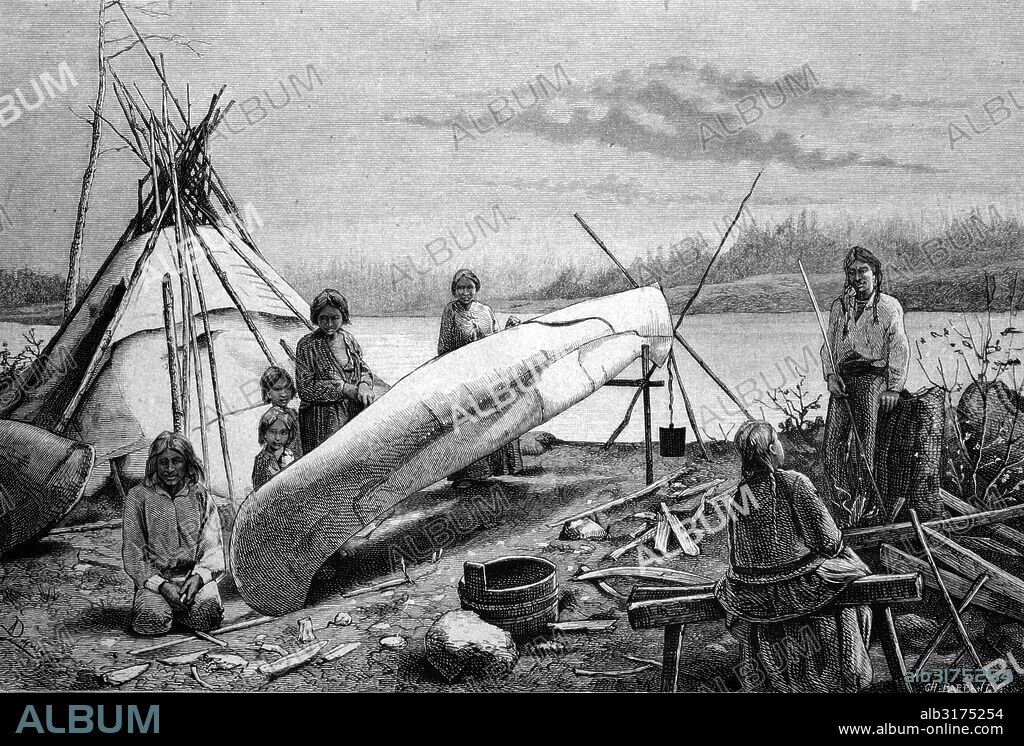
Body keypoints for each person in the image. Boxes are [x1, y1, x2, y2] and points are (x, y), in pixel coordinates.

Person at [715, 420, 874, 693]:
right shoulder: (795, 483)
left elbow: (739, 558)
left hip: (755, 595)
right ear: (771, 449)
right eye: (776, 440)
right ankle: (839, 672)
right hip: (801, 587)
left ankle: (783, 679)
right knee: (854, 573)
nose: (780, 445)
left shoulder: (738, 497)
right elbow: (829, 541)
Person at [821, 246, 910, 527]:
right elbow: (829, 344)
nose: (857, 277)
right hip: (845, 378)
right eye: (852, 272)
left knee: (865, 443)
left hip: (873, 377)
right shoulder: (840, 307)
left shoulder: (888, 307)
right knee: (832, 443)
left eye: (863, 271)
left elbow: (899, 348)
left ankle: (867, 505)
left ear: (875, 274)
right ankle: (841, 504)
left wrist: (894, 388)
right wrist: (830, 376)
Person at [122, 432, 224, 636]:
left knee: (208, 615)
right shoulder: (138, 497)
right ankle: (167, 611)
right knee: (150, 621)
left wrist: (198, 578)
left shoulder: (200, 495)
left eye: (176, 461)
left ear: (187, 463)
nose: (170, 469)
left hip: (192, 578)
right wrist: (163, 586)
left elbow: (212, 546)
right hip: (156, 581)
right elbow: (133, 551)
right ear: (154, 464)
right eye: (163, 462)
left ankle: (184, 612)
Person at [438, 268, 523, 484]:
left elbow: (495, 342)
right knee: (468, 423)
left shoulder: (485, 311)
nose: (465, 292)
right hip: (463, 377)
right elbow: (444, 348)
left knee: (497, 414)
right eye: (460, 288)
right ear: (454, 290)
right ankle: (469, 474)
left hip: (487, 374)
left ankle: (501, 469)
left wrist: (509, 329)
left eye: (469, 287)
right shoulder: (451, 311)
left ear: (476, 288)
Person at [295, 289, 376, 454]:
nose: (329, 323)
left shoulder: (349, 340)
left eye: (335, 318)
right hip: (322, 422)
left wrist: (365, 384)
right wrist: (343, 388)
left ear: (343, 316)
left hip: (352, 416)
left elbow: (363, 367)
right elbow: (305, 389)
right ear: (316, 318)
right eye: (323, 318)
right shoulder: (307, 345)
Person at [259, 365, 302, 458]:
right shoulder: (271, 417)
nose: (284, 394)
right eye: (278, 389)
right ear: (268, 393)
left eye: (287, 388)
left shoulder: (293, 414)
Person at [252, 406, 298, 490]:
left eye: (283, 433)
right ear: (265, 433)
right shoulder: (261, 460)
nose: (277, 438)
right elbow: (259, 491)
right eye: (272, 432)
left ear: (289, 434)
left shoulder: (290, 455)